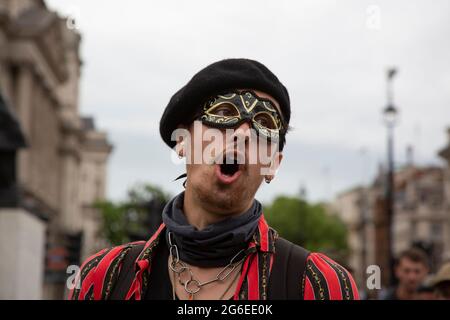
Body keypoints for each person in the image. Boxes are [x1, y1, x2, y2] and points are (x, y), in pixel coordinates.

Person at [69, 58, 359, 300]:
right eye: (223, 112)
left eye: (264, 123)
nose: (244, 133)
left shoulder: (319, 285)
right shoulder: (104, 277)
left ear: (273, 163)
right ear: (182, 141)